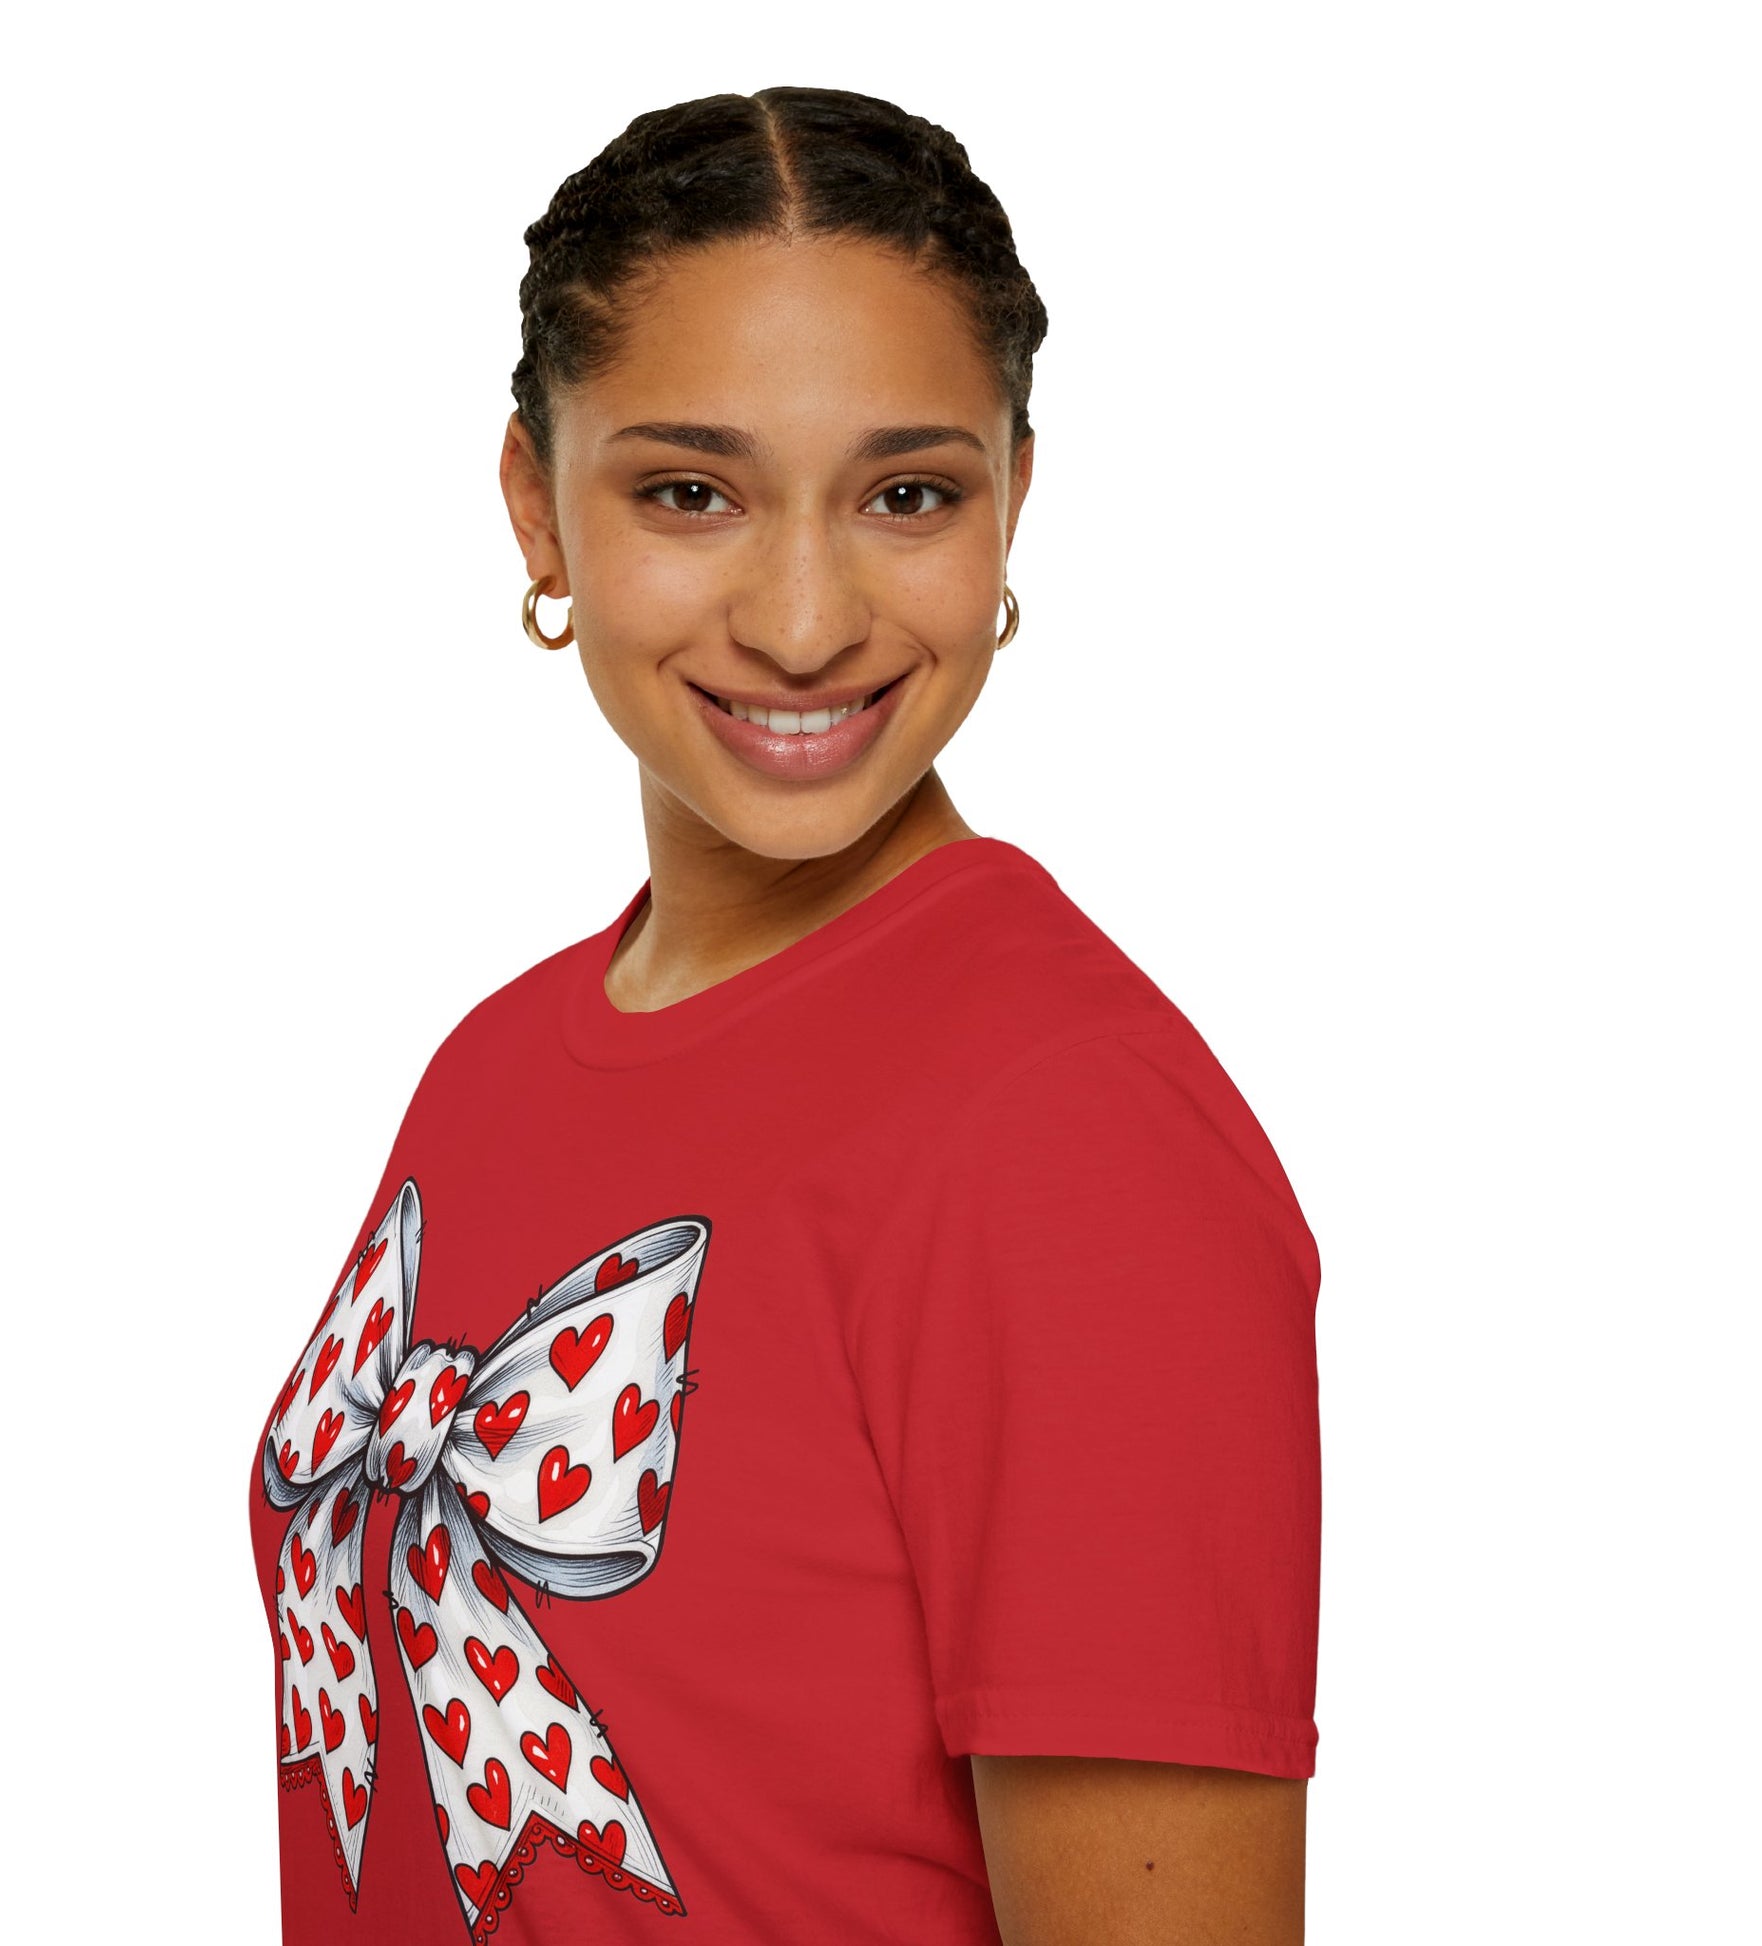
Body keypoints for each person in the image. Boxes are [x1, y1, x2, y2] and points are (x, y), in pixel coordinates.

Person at [248, 85, 1321, 1946]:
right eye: (690, 491)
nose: (806, 618)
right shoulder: (492, 1062)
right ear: (536, 504)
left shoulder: (1070, 1138)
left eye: (908, 494)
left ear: (1013, 501)